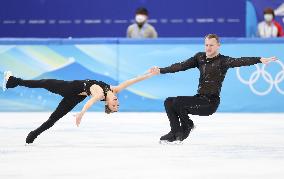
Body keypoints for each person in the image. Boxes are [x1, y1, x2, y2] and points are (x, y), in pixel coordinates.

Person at [150, 34, 277, 144]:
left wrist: (259, 59)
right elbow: (181, 66)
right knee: (169, 101)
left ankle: (187, 125)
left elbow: (240, 61)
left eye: (211, 45)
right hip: (199, 98)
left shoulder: (223, 61)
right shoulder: (199, 58)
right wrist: (161, 70)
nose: (208, 48)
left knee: (178, 102)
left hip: (210, 103)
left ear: (218, 46)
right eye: (206, 45)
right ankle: (176, 132)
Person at [2, 70, 155, 144]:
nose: (116, 102)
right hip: (76, 94)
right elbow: (131, 81)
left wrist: (82, 113)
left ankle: (32, 135)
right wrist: (149, 75)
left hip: (70, 91)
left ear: (108, 103)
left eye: (114, 105)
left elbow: (91, 101)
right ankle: (14, 81)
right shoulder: (114, 89)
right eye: (118, 104)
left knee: (54, 115)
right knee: (43, 83)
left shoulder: (101, 93)